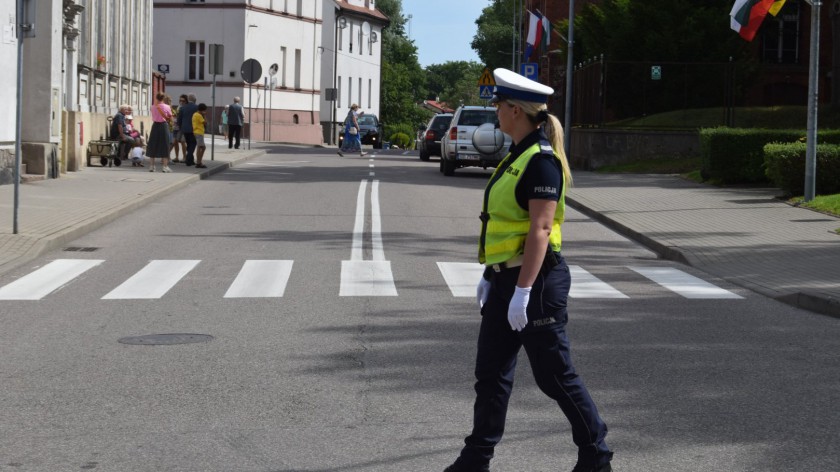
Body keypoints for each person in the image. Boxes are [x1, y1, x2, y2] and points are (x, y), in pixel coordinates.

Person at [443, 69, 613, 472]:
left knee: (554, 376)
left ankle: (596, 455)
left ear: (515, 110)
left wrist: (522, 290)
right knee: (491, 374)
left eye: (498, 106)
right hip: (506, 280)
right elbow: (507, 225)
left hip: (535, 284)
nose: (495, 113)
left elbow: (539, 230)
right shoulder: (516, 156)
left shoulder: (541, 162)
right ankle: (475, 458)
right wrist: (492, 275)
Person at [147, 92, 173, 173]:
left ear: (156, 98)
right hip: (163, 126)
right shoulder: (167, 107)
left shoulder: (153, 107)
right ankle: (165, 167)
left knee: (153, 144)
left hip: (155, 126)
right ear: (163, 98)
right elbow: (170, 117)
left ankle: (152, 166)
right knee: (165, 144)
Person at [178, 93, 198, 166]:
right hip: (194, 129)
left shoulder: (183, 107)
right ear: (195, 100)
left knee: (189, 144)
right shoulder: (197, 107)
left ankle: (191, 160)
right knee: (193, 143)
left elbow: (179, 119)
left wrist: (181, 127)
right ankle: (188, 158)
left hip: (185, 129)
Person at [169, 95, 187, 163]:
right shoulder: (179, 107)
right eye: (180, 100)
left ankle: (184, 157)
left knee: (182, 142)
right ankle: (176, 157)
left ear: (186, 101)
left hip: (182, 127)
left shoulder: (185, 108)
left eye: (183, 101)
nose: (181, 102)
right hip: (176, 127)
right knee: (175, 142)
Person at [192, 103, 208, 168]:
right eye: (204, 110)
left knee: (200, 147)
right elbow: (205, 123)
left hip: (196, 132)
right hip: (199, 132)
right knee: (201, 147)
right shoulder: (199, 115)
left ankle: (199, 162)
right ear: (202, 110)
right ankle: (198, 162)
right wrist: (204, 115)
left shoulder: (194, 114)